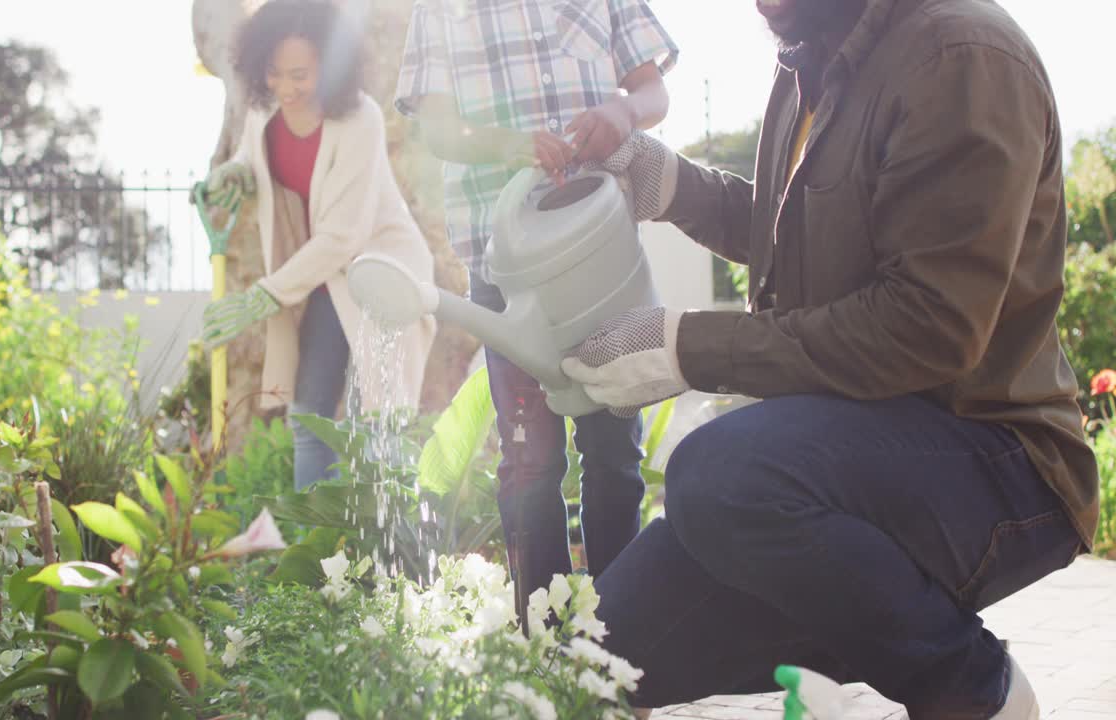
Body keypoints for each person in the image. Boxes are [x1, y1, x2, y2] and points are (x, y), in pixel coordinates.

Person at [560, 0, 1099, 717]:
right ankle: (850, 626)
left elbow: (928, 325)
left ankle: (973, 690)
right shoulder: (809, 61)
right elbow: (808, 243)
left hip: (996, 458)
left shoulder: (962, 53)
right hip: (852, 450)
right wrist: (675, 186)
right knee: (591, 656)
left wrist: (685, 347)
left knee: (721, 475)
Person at [393, 0, 679, 604]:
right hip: (506, 271)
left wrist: (624, 110)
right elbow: (437, 128)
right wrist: (510, 144)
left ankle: (620, 651)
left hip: (601, 259)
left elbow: (651, 90)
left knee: (613, 455)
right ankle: (542, 653)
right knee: (530, 461)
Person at [200, 0, 436, 491]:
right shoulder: (265, 109)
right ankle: (317, 550)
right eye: (274, 72)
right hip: (320, 279)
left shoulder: (359, 121)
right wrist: (234, 171)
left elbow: (344, 237)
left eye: (300, 75)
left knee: (382, 421)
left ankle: (390, 548)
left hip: (378, 275)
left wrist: (261, 297)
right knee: (308, 416)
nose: (285, 88)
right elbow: (252, 155)